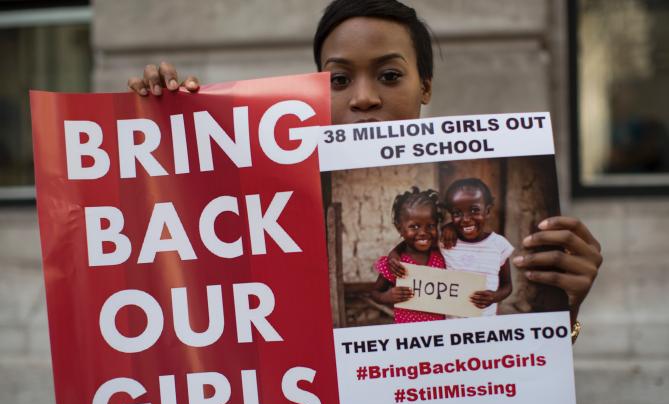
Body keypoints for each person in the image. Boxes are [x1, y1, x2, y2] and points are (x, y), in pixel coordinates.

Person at [126, 0, 602, 333]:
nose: (365, 97)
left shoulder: (468, 243)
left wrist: (564, 309)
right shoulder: (266, 202)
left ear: (426, 86)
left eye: (390, 75)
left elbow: (508, 351)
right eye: (339, 78)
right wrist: (171, 138)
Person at [372, 187, 447, 323]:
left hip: (439, 331)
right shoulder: (396, 263)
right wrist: (386, 297)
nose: (423, 232)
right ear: (399, 228)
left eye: (430, 225)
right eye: (414, 227)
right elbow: (375, 293)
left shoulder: (442, 255)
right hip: (408, 334)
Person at [440, 178, 513, 315]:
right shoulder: (447, 242)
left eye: (474, 210)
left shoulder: (498, 245)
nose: (466, 219)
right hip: (451, 323)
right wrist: (447, 227)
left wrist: (494, 297)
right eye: (457, 213)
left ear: (488, 211)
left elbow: (507, 286)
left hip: (486, 323)